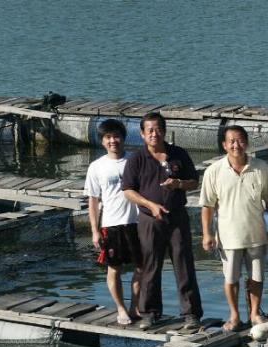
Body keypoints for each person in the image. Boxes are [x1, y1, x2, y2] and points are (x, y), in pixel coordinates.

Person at [122, 112, 203, 330]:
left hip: (177, 217)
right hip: (150, 219)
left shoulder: (178, 154)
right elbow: (128, 190)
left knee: (184, 263)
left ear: (165, 131)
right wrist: (150, 205)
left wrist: (178, 184)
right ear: (142, 134)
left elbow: (194, 182)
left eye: (158, 129)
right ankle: (149, 313)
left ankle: (191, 314)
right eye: (149, 130)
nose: (154, 134)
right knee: (150, 265)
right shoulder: (137, 159)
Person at [200, 125, 268, 332]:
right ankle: (234, 316)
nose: (236, 145)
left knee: (257, 277)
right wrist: (207, 233)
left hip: (256, 233)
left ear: (247, 143)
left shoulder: (261, 167)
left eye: (240, 140)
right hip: (228, 236)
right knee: (231, 278)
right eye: (231, 141)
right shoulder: (214, 171)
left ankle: (255, 314)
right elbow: (207, 206)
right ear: (224, 145)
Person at [84, 118, 142, 325]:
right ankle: (121, 308)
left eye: (116, 136)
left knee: (142, 267)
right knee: (114, 268)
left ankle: (135, 306)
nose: (113, 141)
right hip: (111, 223)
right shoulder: (96, 167)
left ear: (123, 138)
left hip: (137, 222)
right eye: (108, 137)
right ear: (102, 141)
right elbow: (93, 200)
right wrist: (94, 230)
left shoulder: (135, 160)